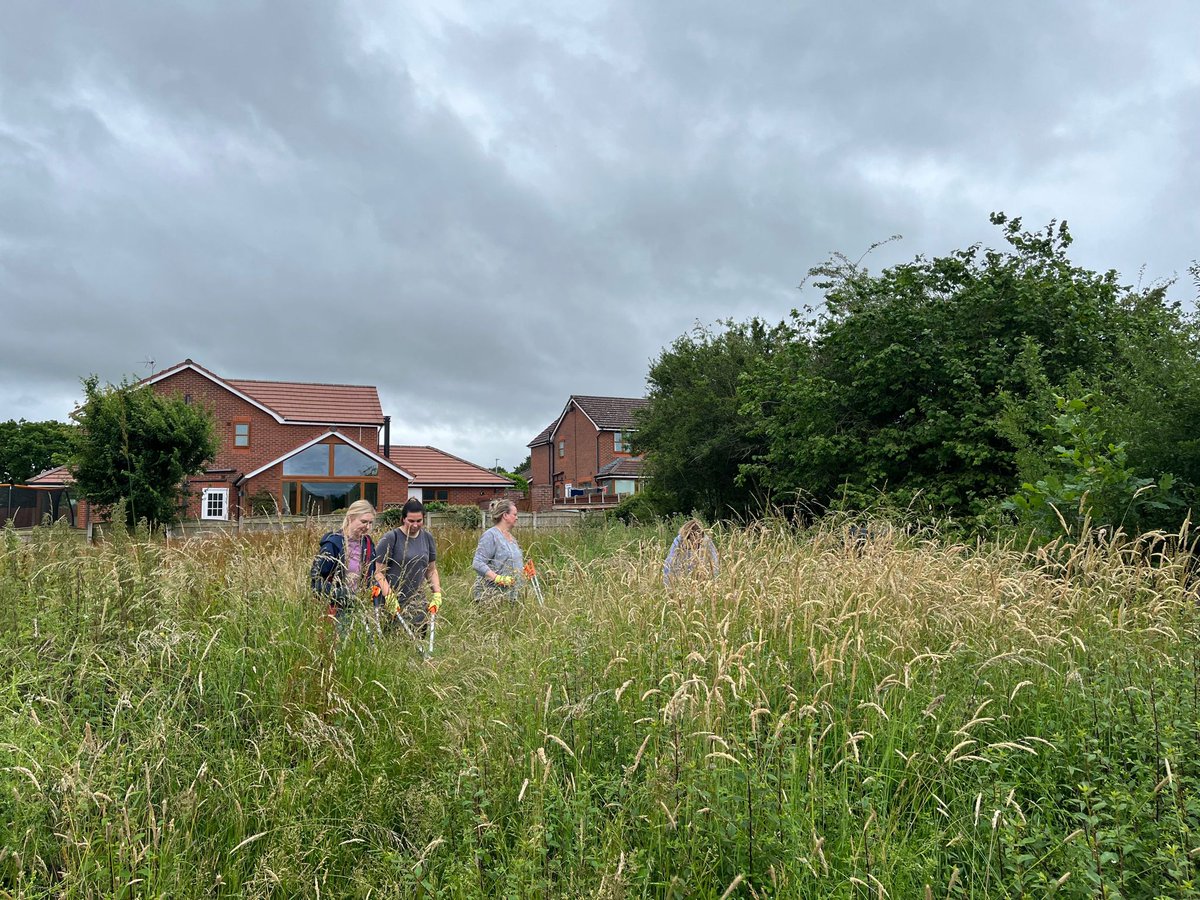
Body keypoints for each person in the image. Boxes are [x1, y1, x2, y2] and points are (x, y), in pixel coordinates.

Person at [310, 499, 378, 635]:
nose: (368, 527)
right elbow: (316, 583)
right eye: (364, 522)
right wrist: (340, 594)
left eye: (370, 523)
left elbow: (371, 575)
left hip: (361, 608)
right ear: (350, 518)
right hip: (336, 609)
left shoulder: (368, 544)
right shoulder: (333, 544)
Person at [375, 498, 441, 637]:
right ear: (403, 519)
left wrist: (436, 593)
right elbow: (378, 573)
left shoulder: (427, 537)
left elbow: (431, 570)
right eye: (411, 521)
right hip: (392, 604)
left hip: (417, 604)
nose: (415, 525)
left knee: (417, 645)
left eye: (419, 521)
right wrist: (390, 597)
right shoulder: (391, 538)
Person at [472, 498, 524, 601]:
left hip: (512, 596)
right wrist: (497, 578)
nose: (517, 518)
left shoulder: (512, 538)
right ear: (505, 515)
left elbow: (512, 563)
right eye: (514, 514)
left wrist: (523, 572)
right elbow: (477, 563)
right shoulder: (491, 535)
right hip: (492, 596)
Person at [663, 519, 719, 587]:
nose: (696, 541)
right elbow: (670, 563)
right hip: (682, 576)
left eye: (698, 537)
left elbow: (714, 563)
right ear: (687, 535)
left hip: (701, 577)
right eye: (693, 536)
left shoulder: (706, 541)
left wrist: (713, 582)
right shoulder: (679, 541)